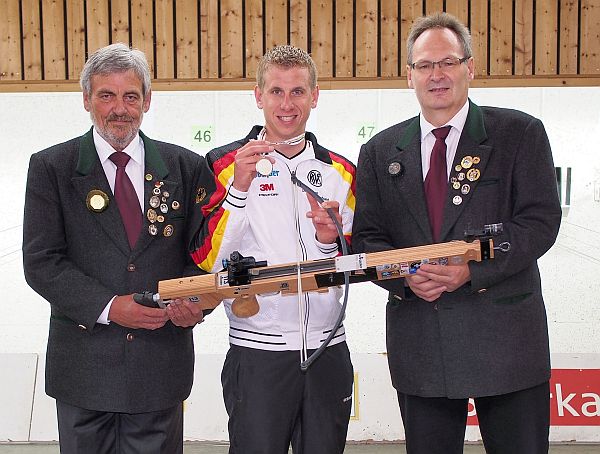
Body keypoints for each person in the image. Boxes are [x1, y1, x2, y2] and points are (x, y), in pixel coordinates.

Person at [352, 12, 561, 454]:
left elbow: (540, 222)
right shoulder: (379, 151)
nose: (437, 74)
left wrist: (473, 269)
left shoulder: (519, 133)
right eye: (425, 65)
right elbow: (368, 239)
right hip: (422, 347)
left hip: (507, 346)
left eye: (448, 62)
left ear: (470, 67)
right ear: (409, 76)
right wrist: (405, 276)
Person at [23, 43, 207, 453]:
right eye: (106, 95)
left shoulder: (186, 167)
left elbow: (203, 256)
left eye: (131, 96)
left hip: (159, 368)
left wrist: (196, 303)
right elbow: (41, 262)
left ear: (147, 101)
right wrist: (109, 307)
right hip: (84, 372)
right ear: (86, 99)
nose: (119, 108)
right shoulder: (52, 167)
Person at [190, 44, 355, 454]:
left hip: (328, 349)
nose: (287, 104)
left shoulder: (341, 172)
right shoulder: (223, 164)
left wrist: (328, 241)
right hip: (257, 353)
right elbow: (209, 260)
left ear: (314, 96)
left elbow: (354, 266)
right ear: (258, 95)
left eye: (297, 91)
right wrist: (239, 190)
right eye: (276, 91)